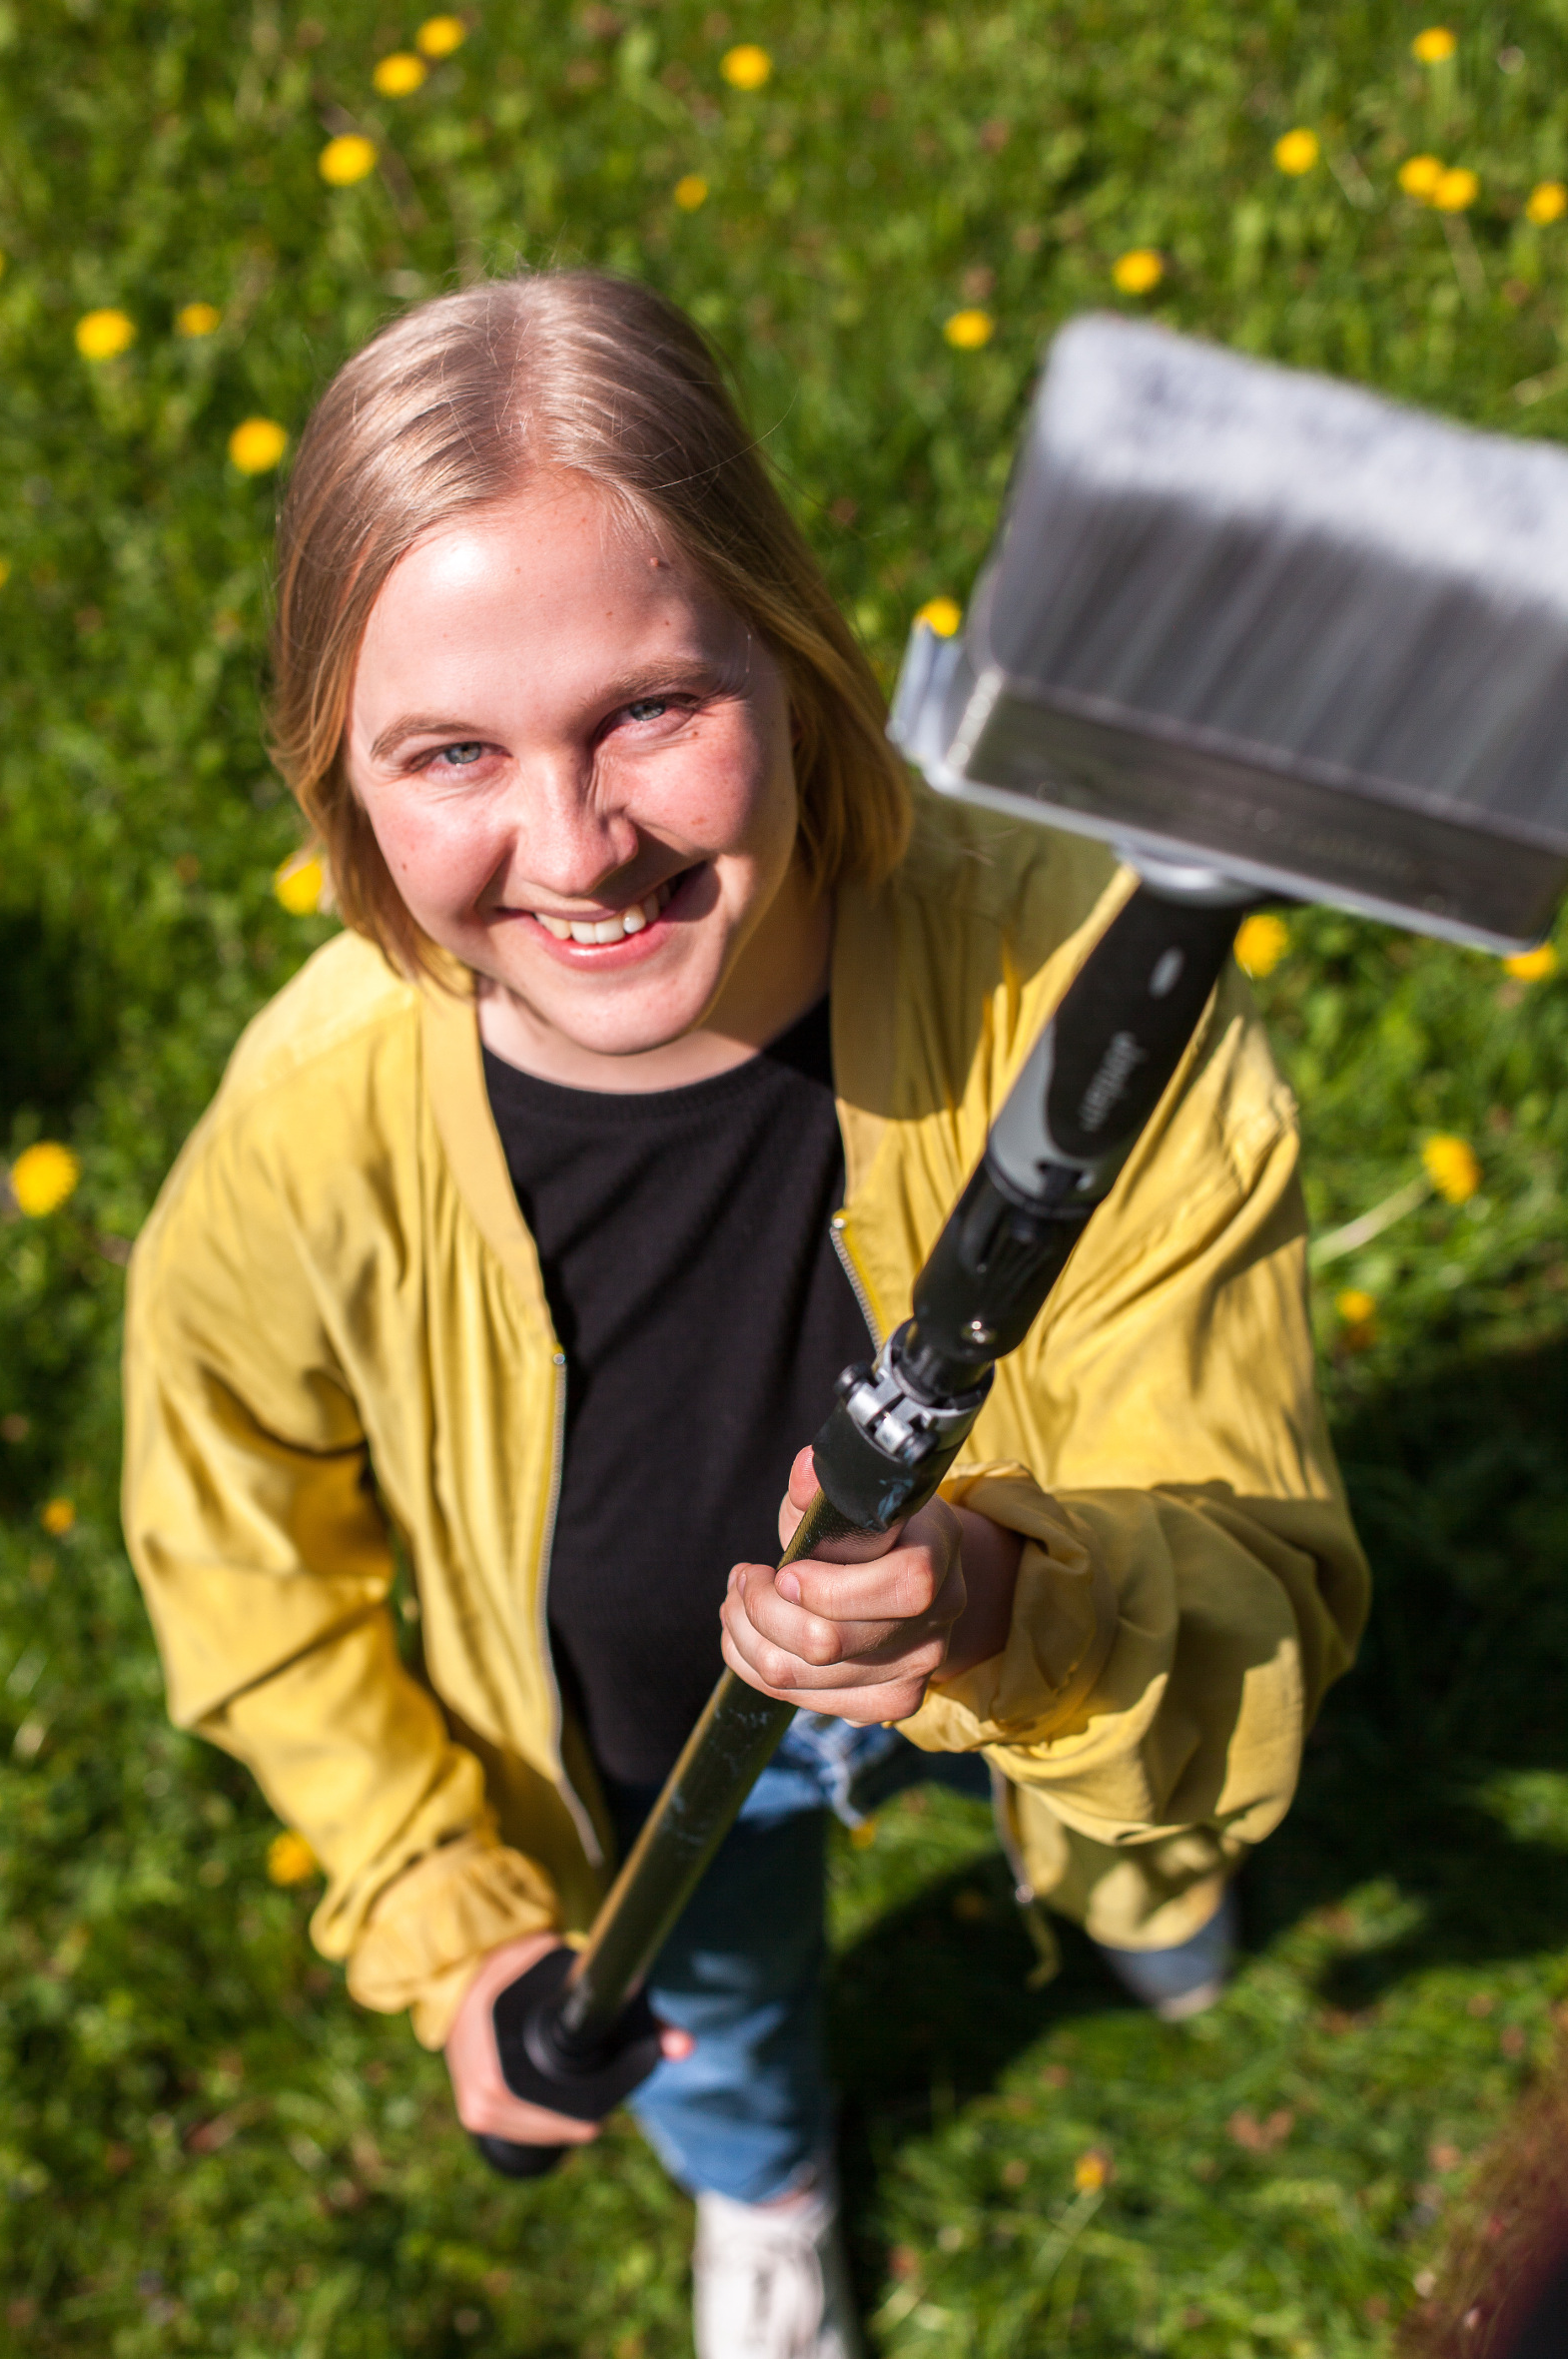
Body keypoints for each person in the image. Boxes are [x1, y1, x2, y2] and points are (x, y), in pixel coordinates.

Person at [122, 270, 1369, 2359]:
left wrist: (994, 1602)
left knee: (1118, 1771)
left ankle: (1125, 1875)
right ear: (337, 782)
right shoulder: (307, 1131)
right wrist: (452, 1925)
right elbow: (240, 1559)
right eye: (449, 751)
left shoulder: (1084, 985)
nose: (576, 843)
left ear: (793, 658)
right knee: (720, 2016)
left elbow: (1238, 1544)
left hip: (1005, 1627)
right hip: (636, 1757)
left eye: (645, 708)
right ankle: (766, 2184)